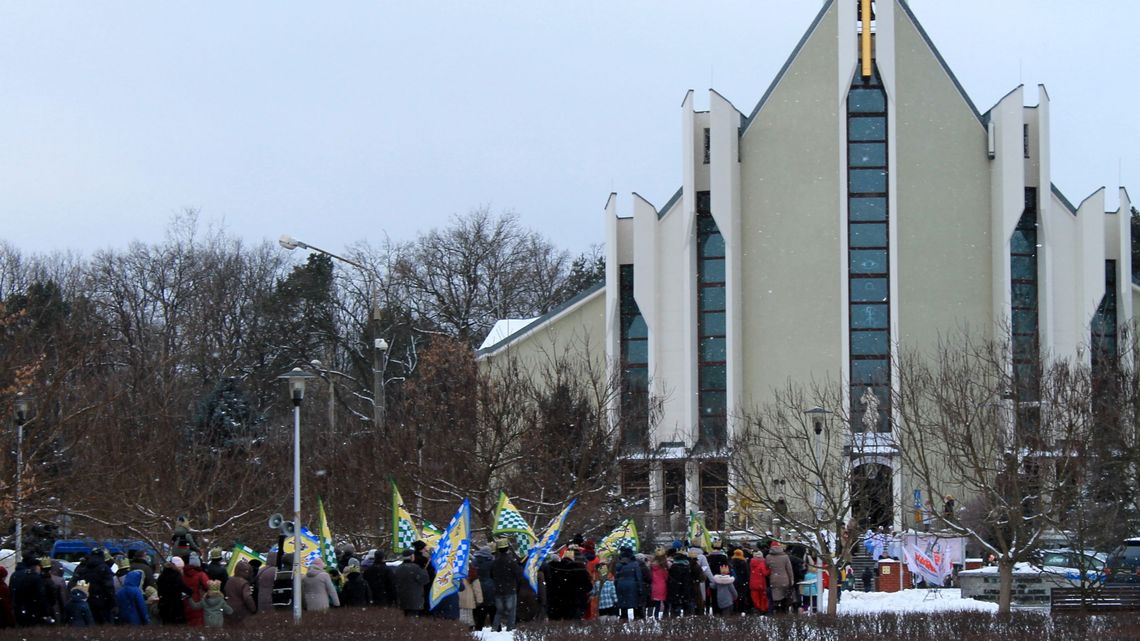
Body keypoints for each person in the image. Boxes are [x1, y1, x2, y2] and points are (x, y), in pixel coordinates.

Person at [545, 548, 591, 621]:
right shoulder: (580, 569)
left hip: (556, 602)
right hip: (576, 602)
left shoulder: (554, 568)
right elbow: (589, 586)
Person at [489, 539, 522, 632]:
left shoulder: (494, 562)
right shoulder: (511, 561)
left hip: (498, 590)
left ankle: (494, 628)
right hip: (510, 589)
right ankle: (510, 629)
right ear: (507, 548)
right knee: (511, 611)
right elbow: (519, 575)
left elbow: (491, 575)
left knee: (499, 611)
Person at [11, 556, 48, 626]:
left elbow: (12, 592)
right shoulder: (36, 577)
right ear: (36, 567)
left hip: (18, 608)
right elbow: (41, 596)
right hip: (33, 610)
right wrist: (45, 612)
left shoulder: (15, 575)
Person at [392, 549, 429, 616]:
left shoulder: (398, 569)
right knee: (412, 621)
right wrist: (424, 571)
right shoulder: (417, 568)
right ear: (412, 556)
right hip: (415, 601)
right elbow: (425, 580)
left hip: (401, 600)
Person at [157, 556, 191, 624]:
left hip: (164, 602)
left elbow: (159, 585)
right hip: (174, 603)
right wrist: (190, 591)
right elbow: (181, 586)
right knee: (174, 623)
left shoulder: (164, 573)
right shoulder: (176, 574)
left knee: (166, 623)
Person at [223, 560, 257, 625]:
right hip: (240, 611)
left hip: (228, 608)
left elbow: (225, 591)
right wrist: (253, 609)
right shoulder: (244, 583)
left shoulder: (229, 580)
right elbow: (247, 598)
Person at [765, 541, 795, 614]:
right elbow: (789, 570)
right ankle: (785, 611)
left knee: (776, 598)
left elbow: (766, 568)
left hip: (774, 580)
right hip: (785, 580)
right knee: (785, 597)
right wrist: (791, 580)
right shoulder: (785, 556)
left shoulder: (768, 557)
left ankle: (777, 611)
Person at [614, 547, 643, 620]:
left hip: (620, 585)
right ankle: (636, 617)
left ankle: (624, 617)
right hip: (632, 585)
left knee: (623, 603)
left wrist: (616, 585)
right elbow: (638, 576)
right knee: (634, 602)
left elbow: (616, 577)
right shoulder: (635, 564)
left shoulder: (618, 565)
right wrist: (640, 588)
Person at [182, 552, 210, 626]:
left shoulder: (183, 574)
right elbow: (209, 587)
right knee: (198, 623)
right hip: (198, 602)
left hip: (185, 602)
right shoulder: (201, 575)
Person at [471, 546, 496, 628]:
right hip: (489, 587)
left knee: (479, 608)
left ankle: (478, 626)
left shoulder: (474, 562)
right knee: (492, 608)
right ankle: (495, 627)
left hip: (477, 585)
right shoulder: (491, 562)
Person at [666, 549, 691, 617]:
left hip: (674, 590)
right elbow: (688, 580)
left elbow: (669, 579)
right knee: (686, 608)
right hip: (685, 590)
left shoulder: (673, 567)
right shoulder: (687, 567)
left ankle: (675, 621)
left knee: (675, 607)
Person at [649, 549, 670, 619]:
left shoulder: (652, 566)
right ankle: (665, 616)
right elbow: (666, 577)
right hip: (663, 586)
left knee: (657, 604)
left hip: (654, 586)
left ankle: (656, 616)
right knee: (666, 603)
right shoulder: (663, 567)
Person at [748, 548, 770, 614]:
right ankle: (762, 609)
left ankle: (757, 608)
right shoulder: (762, 563)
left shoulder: (751, 562)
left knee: (755, 597)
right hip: (761, 583)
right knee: (763, 597)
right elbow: (765, 573)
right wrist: (769, 569)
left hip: (753, 583)